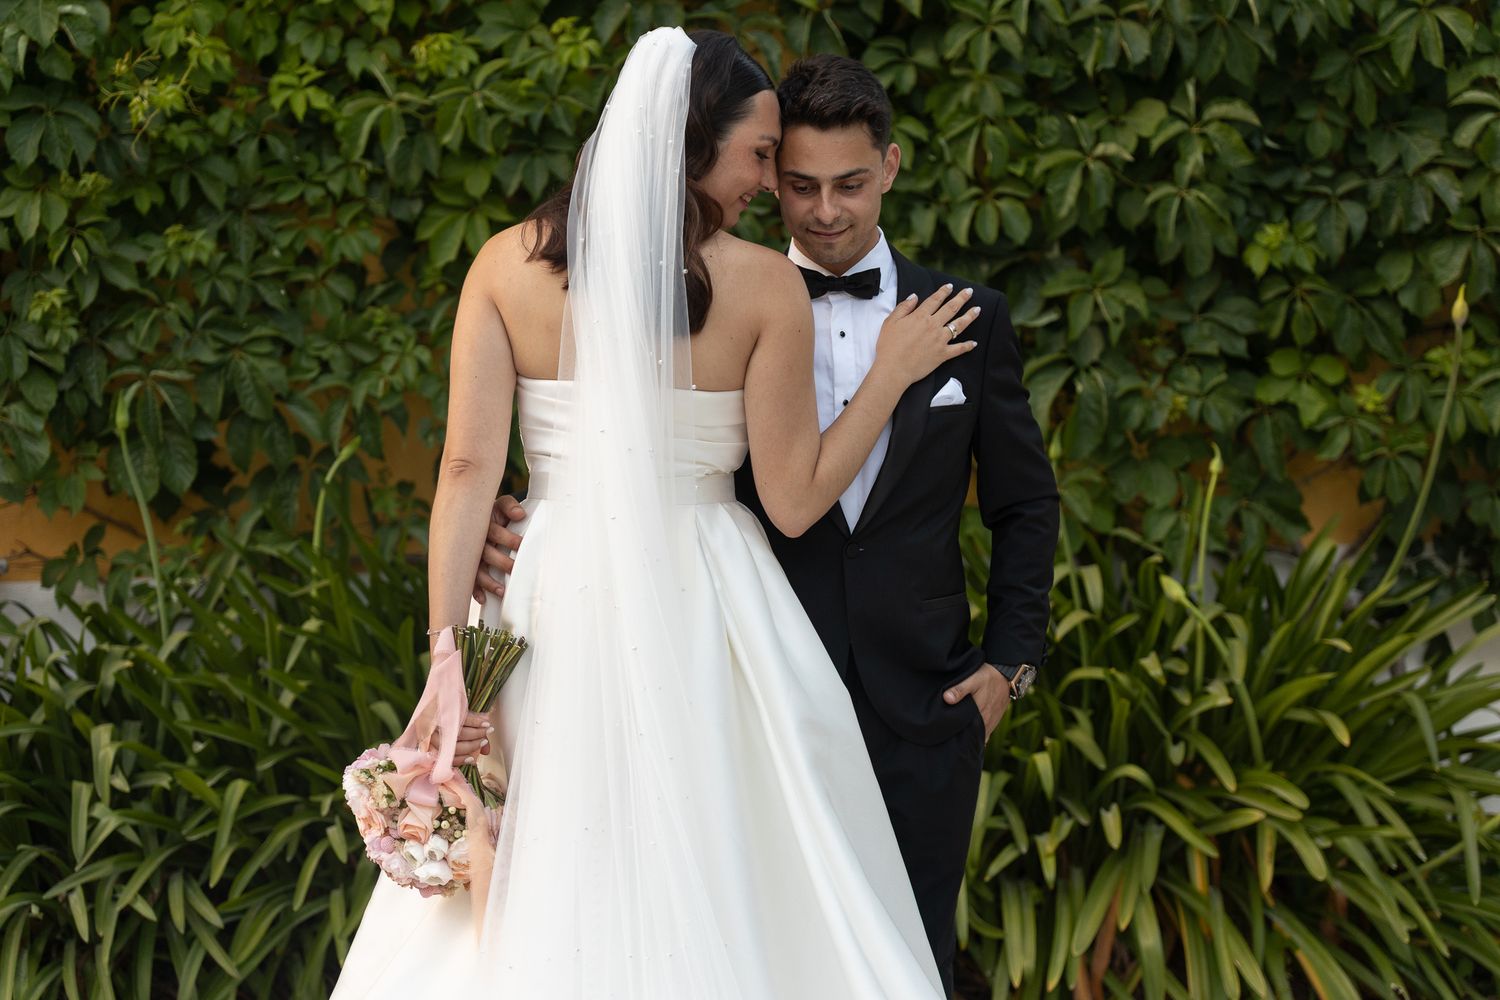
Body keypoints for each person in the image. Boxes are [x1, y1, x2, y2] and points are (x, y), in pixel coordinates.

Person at [333, 28, 983, 999]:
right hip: (708, 597)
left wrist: (445, 652)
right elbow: (799, 501)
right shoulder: (766, 283)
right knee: (720, 848)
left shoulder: (504, 267)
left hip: (544, 591)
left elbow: (466, 468)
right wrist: (888, 376)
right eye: (759, 154)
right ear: (692, 143)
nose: (772, 178)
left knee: (553, 842)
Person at [477, 54, 1060, 996]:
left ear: (893, 168)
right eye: (796, 184)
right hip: (745, 688)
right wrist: (534, 509)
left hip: (925, 701)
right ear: (762, 170)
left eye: (851, 185)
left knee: (910, 961)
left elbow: (1025, 506)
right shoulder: (725, 293)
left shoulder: (970, 318)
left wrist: (1009, 665)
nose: (825, 211)